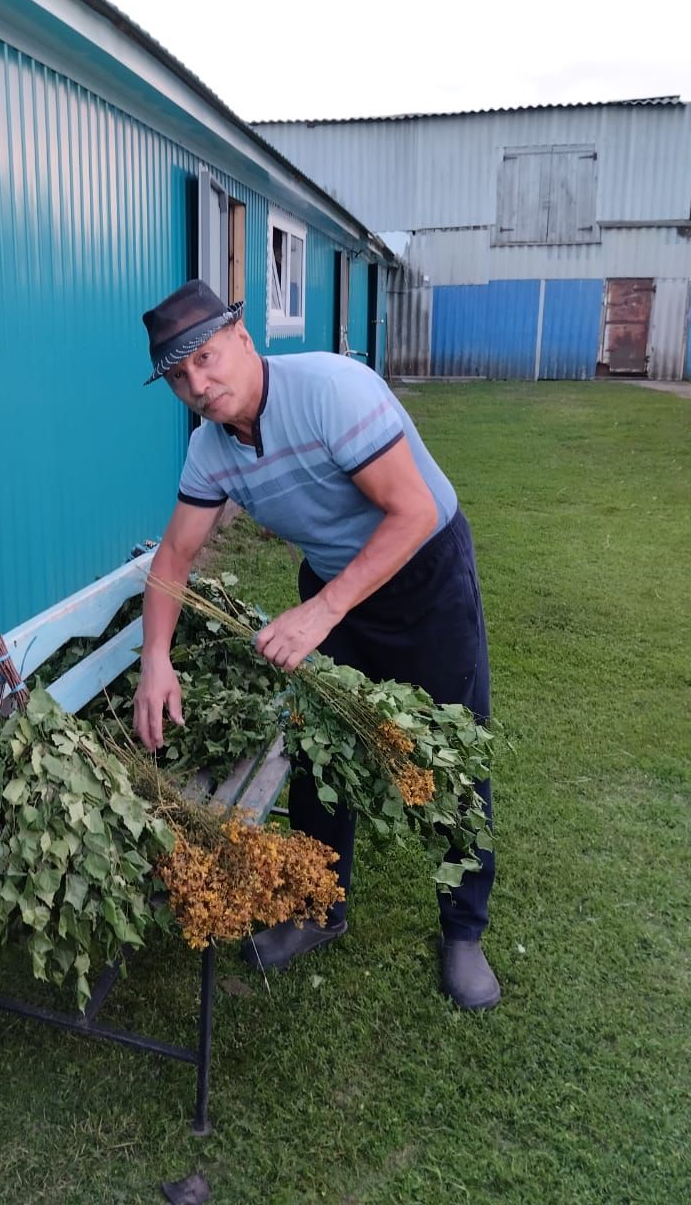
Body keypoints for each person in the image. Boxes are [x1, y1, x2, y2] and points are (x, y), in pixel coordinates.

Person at [133, 279, 500, 1011]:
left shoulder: (333, 389)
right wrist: (154, 662)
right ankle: (317, 907)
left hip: (423, 572)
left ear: (243, 338)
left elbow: (411, 511)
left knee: (445, 757)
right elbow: (172, 561)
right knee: (317, 745)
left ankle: (462, 932)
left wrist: (320, 613)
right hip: (333, 584)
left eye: (206, 358)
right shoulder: (210, 452)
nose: (198, 385)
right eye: (178, 376)